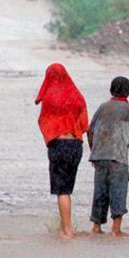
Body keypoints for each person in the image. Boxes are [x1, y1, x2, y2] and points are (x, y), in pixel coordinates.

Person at [88, 76, 129, 237]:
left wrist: (94, 151)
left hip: (99, 156)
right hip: (118, 157)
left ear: (111, 90)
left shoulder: (102, 107)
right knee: (118, 191)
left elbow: (90, 130)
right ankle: (116, 229)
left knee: (100, 191)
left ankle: (96, 227)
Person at [35, 63, 88, 239]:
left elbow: (44, 121)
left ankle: (67, 231)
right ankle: (66, 226)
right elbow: (84, 123)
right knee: (68, 189)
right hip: (76, 146)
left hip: (59, 145)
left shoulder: (50, 97)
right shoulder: (77, 96)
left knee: (62, 191)